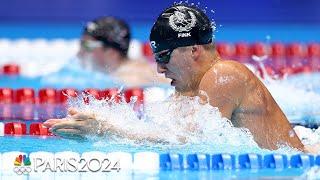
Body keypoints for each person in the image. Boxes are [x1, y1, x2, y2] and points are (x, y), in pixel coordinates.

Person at [44, 4, 316, 153]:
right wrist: (96, 130)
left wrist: (106, 129)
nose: (160, 70)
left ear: (193, 50)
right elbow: (165, 135)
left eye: (164, 57)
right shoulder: (189, 86)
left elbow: (187, 141)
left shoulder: (225, 75)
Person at [42, 16, 167, 88]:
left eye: (87, 45)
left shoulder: (128, 80)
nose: (80, 53)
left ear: (111, 51)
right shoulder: (127, 69)